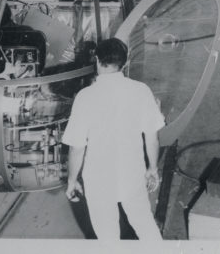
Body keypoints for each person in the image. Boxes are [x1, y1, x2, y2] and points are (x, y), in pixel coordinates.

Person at [63, 38, 164, 241]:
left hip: (99, 179)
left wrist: (72, 181)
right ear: (124, 64)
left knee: (107, 235)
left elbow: (77, 148)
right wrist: (152, 169)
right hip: (132, 173)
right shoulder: (141, 90)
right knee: (144, 223)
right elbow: (152, 138)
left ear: (97, 60)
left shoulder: (85, 96)